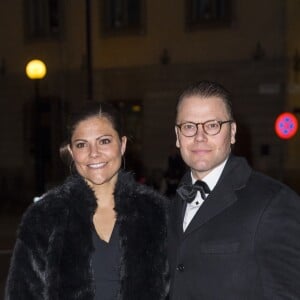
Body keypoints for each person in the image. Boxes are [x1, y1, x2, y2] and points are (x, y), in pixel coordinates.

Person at [5, 102, 168, 300]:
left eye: (104, 141)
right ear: (72, 152)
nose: (94, 153)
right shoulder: (45, 216)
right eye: (82, 144)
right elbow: (22, 293)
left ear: (122, 144)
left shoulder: (157, 212)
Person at [167, 80, 300, 299]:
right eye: (189, 126)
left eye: (212, 125)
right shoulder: (172, 205)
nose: (199, 137)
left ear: (233, 132)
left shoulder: (274, 202)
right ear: (177, 136)